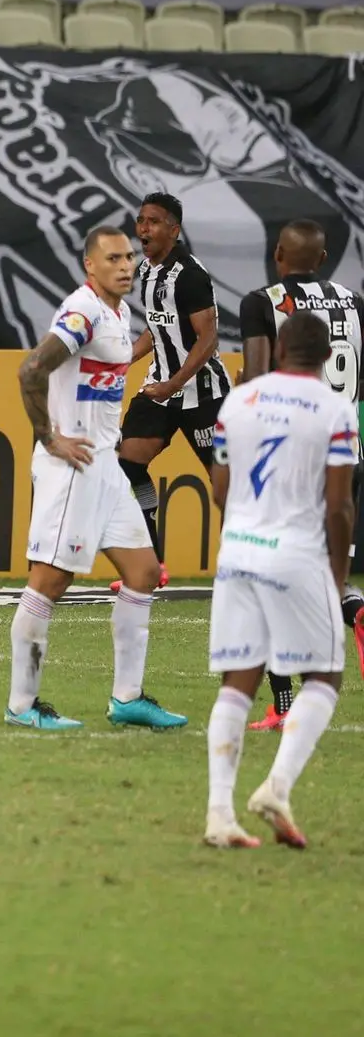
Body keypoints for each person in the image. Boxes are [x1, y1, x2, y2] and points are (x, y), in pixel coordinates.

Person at [5, 225, 186, 730]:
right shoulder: (82, 311)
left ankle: (127, 699)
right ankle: (21, 706)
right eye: (113, 258)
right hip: (74, 467)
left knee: (144, 573)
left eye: (130, 256)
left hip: (105, 465)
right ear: (90, 265)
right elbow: (31, 370)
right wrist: (50, 438)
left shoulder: (120, 312)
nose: (126, 265)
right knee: (50, 581)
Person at [201, 312, 354, 849]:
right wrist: (336, 577)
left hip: (239, 549)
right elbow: (338, 506)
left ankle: (219, 814)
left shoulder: (238, 401)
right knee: (326, 673)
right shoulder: (336, 409)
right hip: (297, 553)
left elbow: (219, 489)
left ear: (281, 346)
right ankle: (277, 787)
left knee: (237, 681)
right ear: (327, 357)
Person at [236, 218, 364, 728]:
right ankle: (355, 611)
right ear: (325, 255)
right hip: (346, 448)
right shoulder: (353, 303)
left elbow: (258, 374)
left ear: (278, 255)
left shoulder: (261, 302)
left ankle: (284, 705)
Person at [118, 192, 231, 581]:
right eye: (140, 220)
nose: (142, 228)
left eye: (152, 221)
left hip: (203, 394)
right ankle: (154, 563)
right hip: (160, 389)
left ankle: (248, 568)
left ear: (174, 229)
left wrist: (175, 383)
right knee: (128, 462)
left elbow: (208, 338)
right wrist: (127, 358)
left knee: (225, 489)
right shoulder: (148, 270)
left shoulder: (190, 275)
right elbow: (159, 326)